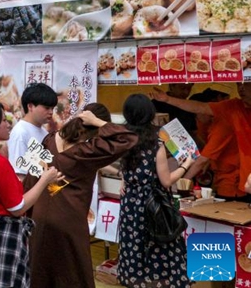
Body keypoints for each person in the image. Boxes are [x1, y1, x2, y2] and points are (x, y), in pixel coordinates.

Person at [24, 103, 138, 288]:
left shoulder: (50, 140)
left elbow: (30, 179)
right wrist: (99, 122)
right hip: (70, 221)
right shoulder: (87, 152)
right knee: (73, 275)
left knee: (40, 273)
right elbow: (129, 138)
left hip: (40, 216)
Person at [0, 100, 63, 288]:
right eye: (3, 120)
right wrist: (45, 180)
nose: (9, 124)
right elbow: (17, 207)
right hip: (2, 237)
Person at [118, 94, 193, 287]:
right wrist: (185, 166)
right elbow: (166, 181)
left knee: (134, 246)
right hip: (154, 205)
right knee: (160, 248)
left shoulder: (122, 140)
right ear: (150, 114)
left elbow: (124, 169)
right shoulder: (156, 145)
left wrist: (124, 181)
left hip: (130, 205)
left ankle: (135, 281)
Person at [150, 82, 251, 202]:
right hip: (234, 183)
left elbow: (203, 160)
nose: (241, 89)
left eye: (246, 84)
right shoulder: (232, 108)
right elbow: (201, 107)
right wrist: (167, 99)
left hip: (235, 184)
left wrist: (181, 185)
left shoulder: (224, 124)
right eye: (238, 84)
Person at [7, 83, 57, 180]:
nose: (51, 112)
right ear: (30, 106)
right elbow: (19, 175)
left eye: (52, 108)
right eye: (47, 108)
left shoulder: (44, 131)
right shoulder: (20, 132)